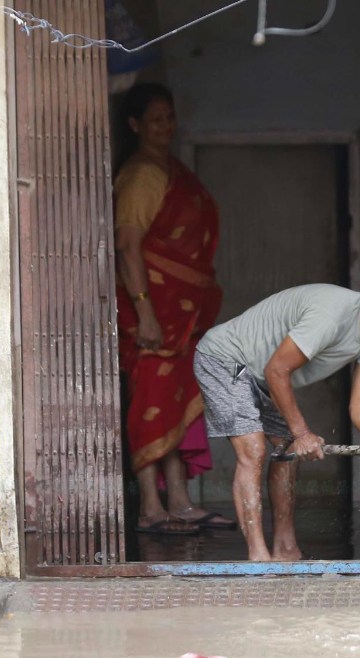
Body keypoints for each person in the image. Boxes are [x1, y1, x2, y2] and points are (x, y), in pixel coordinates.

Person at [194, 268, 360, 561]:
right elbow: (277, 369)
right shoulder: (331, 313)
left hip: (263, 378)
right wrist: (302, 433)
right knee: (254, 449)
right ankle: (258, 558)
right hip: (227, 360)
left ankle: (286, 549)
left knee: (287, 453)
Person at [114, 83, 236, 534]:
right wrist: (145, 312)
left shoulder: (173, 170)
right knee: (151, 402)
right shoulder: (140, 175)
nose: (165, 126)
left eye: (169, 117)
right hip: (153, 314)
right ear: (135, 125)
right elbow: (128, 248)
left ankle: (181, 502)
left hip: (183, 317)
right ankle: (151, 506)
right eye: (155, 119)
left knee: (177, 402)